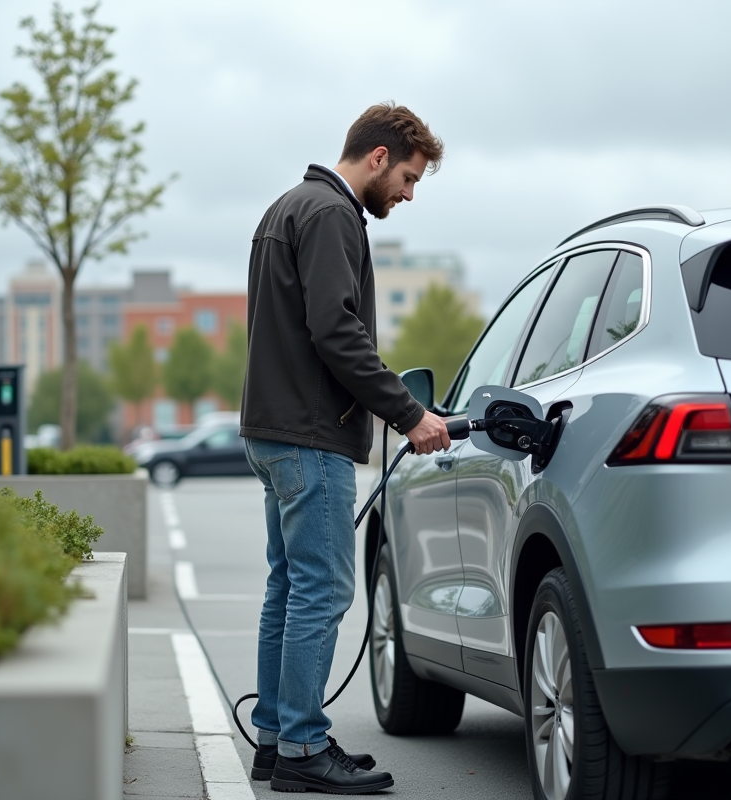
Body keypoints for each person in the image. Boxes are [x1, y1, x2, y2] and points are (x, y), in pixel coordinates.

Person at [239, 102, 450, 794]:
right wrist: (408, 411)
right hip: (310, 436)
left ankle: (278, 738)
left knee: (289, 587)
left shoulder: (285, 208)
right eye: (410, 179)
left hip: (271, 431)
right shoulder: (332, 215)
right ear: (381, 156)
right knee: (323, 591)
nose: (410, 195)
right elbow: (336, 332)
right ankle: (302, 749)